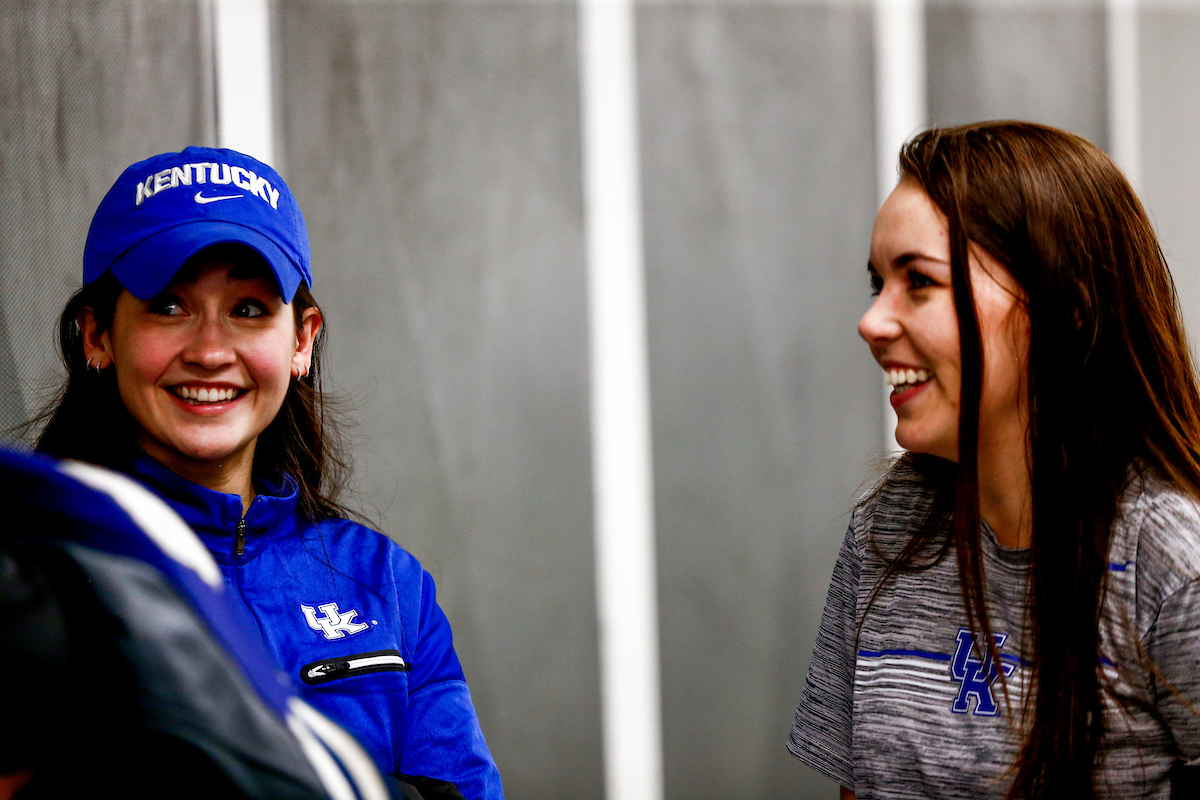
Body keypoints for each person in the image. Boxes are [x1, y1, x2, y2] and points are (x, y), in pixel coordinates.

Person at [33, 146, 504, 800]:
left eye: (249, 308)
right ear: (97, 335)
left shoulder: (387, 585)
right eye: (168, 305)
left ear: (302, 339)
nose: (210, 351)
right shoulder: (36, 582)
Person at [788, 121, 1200, 799]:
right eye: (877, 285)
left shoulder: (1168, 560)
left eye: (918, 281)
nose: (872, 322)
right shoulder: (887, 532)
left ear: (1065, 307)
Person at [0, 446, 389, 800]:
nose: (210, 362)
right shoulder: (50, 556)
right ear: (98, 360)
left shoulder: (381, 569)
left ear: (300, 361)